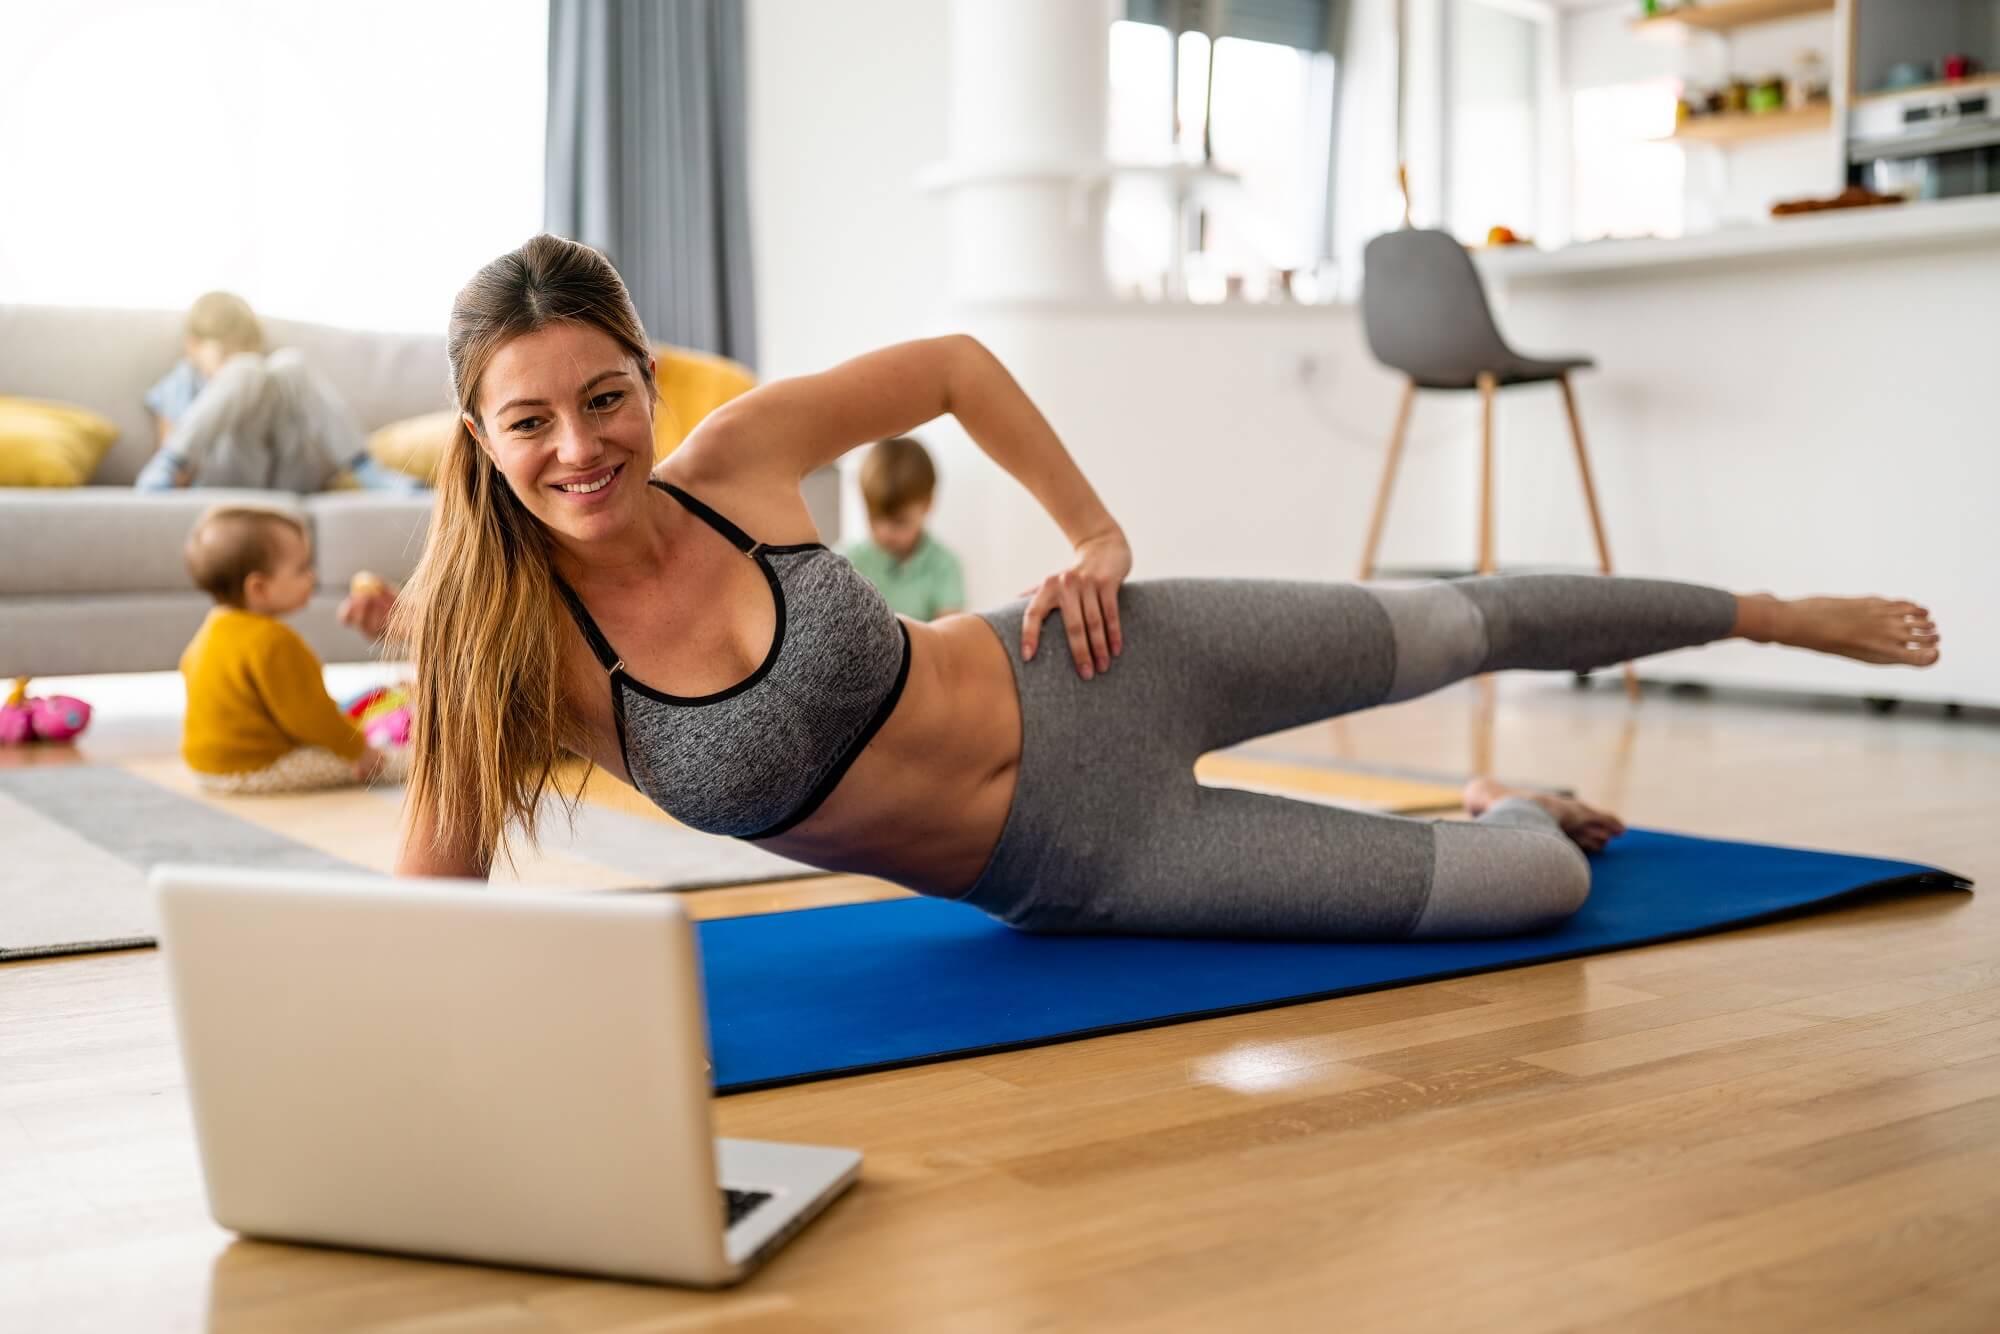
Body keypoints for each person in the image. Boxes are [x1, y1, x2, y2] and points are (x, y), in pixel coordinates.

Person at [383, 234, 1941, 940]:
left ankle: (1761, 610)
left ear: (646, 382)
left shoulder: (738, 459)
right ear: (479, 436)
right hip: (1090, 856)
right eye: (531, 418)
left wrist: (1095, 529)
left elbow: (951, 367)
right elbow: (427, 907)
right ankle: (1501, 806)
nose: (581, 447)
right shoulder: (505, 653)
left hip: (1102, 659)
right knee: (1534, 892)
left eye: (607, 398)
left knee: (1463, 617)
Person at [180, 505, 402, 794]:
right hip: (259, 766)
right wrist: (361, 751)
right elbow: (312, 718)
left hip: (205, 767)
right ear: (259, 587)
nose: (312, 576)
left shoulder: (209, 632)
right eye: (301, 569)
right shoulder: (274, 641)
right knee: (398, 761)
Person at [137, 290, 423, 493]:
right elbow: (172, 451)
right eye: (226, 353)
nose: (237, 357)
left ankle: (365, 470)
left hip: (286, 477)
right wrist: (172, 468)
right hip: (223, 477)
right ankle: (169, 461)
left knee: (290, 364)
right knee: (246, 370)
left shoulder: (271, 377)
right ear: (193, 346)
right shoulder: (181, 383)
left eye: (245, 349)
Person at [842, 435, 965, 620]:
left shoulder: (944, 567)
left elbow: (949, 636)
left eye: (899, 521)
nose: (884, 532)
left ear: (927, 504)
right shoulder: (847, 562)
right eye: (874, 518)